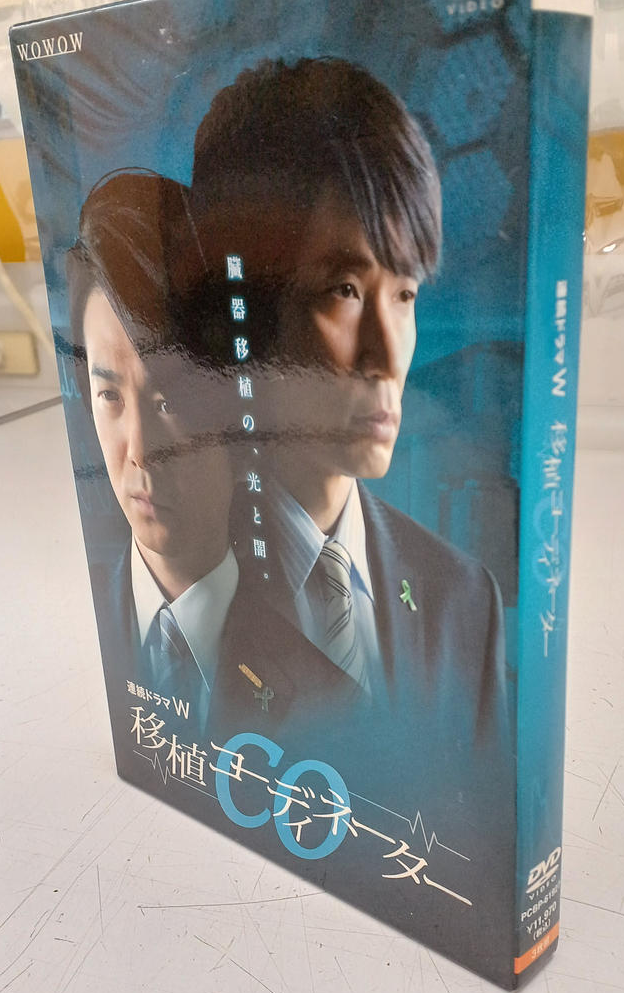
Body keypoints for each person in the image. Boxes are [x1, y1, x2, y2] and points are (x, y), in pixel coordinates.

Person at [190, 58, 508, 756]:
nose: (388, 356)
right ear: (248, 307)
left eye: (406, 294)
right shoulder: (183, 583)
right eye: (346, 290)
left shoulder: (464, 600)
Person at [67, 169, 361, 751]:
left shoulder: (330, 698)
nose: (141, 452)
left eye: (170, 401)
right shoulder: (81, 624)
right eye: (109, 397)